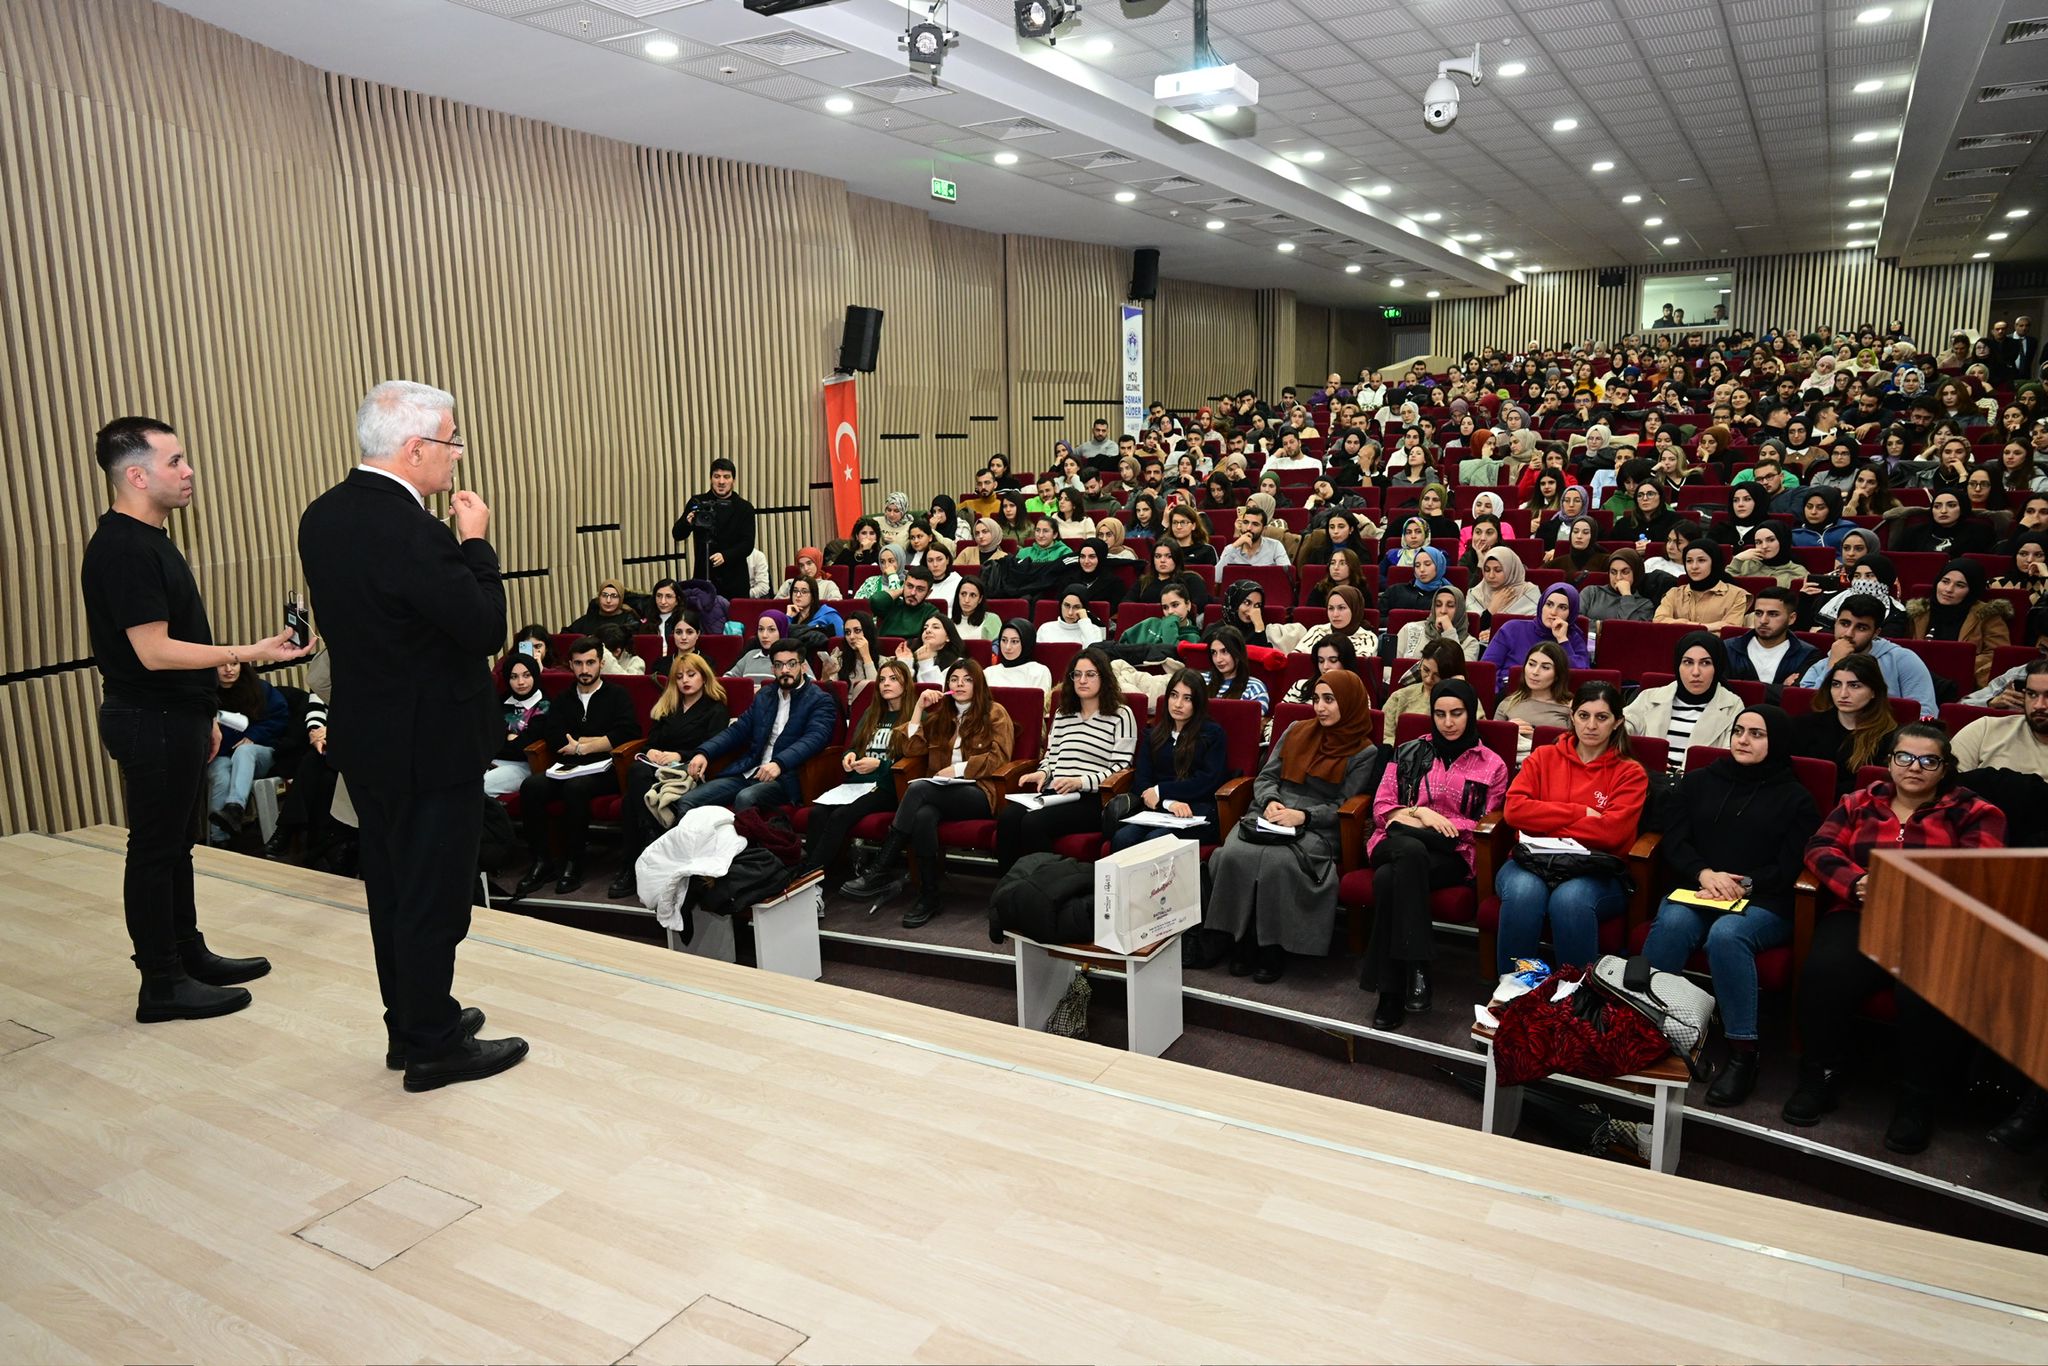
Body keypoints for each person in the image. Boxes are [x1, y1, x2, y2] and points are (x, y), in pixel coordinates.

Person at [298, 380, 526, 1089]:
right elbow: (485, 628)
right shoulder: (416, 533)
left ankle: (412, 1021)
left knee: (393, 889)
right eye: (452, 441)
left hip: (367, 737)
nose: (457, 456)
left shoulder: (321, 516)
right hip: (432, 743)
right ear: (416, 447)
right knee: (434, 895)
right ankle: (432, 1047)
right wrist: (478, 545)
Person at [83, 416, 310, 1022]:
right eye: (175, 462)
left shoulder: (151, 538)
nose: (188, 473)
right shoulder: (125, 548)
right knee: (154, 851)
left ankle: (186, 954)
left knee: (176, 847)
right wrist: (248, 653)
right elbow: (153, 651)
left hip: (175, 714)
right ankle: (160, 982)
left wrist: (204, 711)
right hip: (149, 717)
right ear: (136, 474)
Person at [1789, 725, 2006, 1151]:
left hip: (1934, 923)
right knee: (1826, 972)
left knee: (1923, 993)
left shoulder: (1977, 812)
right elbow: (1819, 848)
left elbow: (1982, 874)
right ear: (1889, 761)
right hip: (1861, 910)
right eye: (1904, 757)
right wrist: (1858, 882)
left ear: (1946, 768)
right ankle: (1820, 1077)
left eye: (1928, 761)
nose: (1914, 768)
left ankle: (1918, 1099)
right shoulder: (1859, 800)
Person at [1643, 704, 1821, 1106]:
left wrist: (1745, 884)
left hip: (1764, 898)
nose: (1743, 739)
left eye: (1756, 734)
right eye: (1739, 730)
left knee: (1726, 936)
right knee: (1671, 924)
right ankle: (1647, 1029)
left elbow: (1793, 864)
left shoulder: (1796, 798)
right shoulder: (1700, 781)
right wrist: (1705, 874)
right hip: (1699, 887)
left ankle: (1744, 1054)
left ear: (1776, 741)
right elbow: (1675, 840)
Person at [1192, 671, 1378, 983]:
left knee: (1278, 863)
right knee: (1231, 854)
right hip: (1269, 815)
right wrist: (1270, 801)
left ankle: (1273, 946)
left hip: (1317, 827)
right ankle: (1240, 937)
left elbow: (1345, 805)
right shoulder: (1295, 730)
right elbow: (1266, 777)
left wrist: (1302, 815)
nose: (1320, 707)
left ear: (1349, 702)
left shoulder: (1364, 751)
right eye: (1317, 699)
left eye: (1329, 700)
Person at [1362, 678, 1509, 1029]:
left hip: (1452, 854)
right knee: (1408, 852)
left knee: (1388, 879)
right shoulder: (1409, 751)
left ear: (1470, 713)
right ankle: (1418, 965)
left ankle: (1390, 990)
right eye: (1440, 714)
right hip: (1395, 840)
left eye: (1456, 713)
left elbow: (1486, 824)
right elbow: (1382, 807)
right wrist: (1421, 814)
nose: (1448, 722)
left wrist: (1439, 823)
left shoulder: (1492, 765)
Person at [841, 659, 1017, 927]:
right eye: (954, 679)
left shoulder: (995, 713)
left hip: (980, 791)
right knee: (923, 816)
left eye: (967, 679)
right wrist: (918, 709)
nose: (959, 684)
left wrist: (957, 770)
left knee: (919, 788)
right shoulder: (941, 716)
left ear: (978, 684)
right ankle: (928, 895)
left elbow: (999, 757)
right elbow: (910, 750)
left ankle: (880, 867)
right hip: (941, 793)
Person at [1493, 682, 1649, 971]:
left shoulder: (1630, 772)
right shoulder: (1543, 757)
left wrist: (1543, 822)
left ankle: (1575, 1000)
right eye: (1583, 715)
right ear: (1572, 716)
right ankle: (1517, 992)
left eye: (1602, 717)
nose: (1591, 725)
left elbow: (1611, 833)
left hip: (1595, 870)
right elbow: (1514, 811)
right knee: (1524, 892)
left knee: (1570, 900)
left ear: (1617, 723)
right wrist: (1581, 812)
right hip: (1532, 861)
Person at [509, 638, 641, 897]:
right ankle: (542, 861)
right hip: (566, 766)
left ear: (601, 663)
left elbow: (627, 732)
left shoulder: (617, 695)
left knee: (576, 788)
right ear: (570, 665)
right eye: (578, 663)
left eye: (590, 663)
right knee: (532, 787)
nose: (585, 669)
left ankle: (574, 863)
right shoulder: (563, 699)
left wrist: (583, 747)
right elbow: (554, 735)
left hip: (605, 769)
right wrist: (597, 741)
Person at [995, 647, 1136, 865]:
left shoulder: (1121, 714)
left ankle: (1045, 890)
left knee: (1034, 823)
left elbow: (1121, 767)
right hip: (1056, 793)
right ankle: (1009, 888)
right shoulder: (1063, 714)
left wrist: (1079, 782)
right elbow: (1052, 755)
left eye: (1090, 674)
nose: (1082, 680)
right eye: (1076, 675)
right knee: (1008, 817)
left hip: (1093, 799)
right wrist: (1043, 773)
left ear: (1104, 678)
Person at [607, 652, 732, 897]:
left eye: (691, 675)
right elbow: (650, 743)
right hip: (657, 771)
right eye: (679, 676)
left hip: (690, 772)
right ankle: (649, 836)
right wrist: (652, 751)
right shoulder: (669, 706)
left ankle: (631, 867)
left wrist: (678, 755)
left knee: (630, 803)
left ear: (704, 677)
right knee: (637, 772)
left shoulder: (715, 709)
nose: (685, 680)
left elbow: (713, 747)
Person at [671, 639, 836, 820]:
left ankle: (748, 849)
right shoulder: (765, 696)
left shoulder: (820, 700)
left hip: (786, 777)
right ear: (772, 669)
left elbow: (815, 738)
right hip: (750, 771)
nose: (785, 670)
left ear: (803, 667)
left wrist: (779, 763)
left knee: (745, 798)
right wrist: (704, 753)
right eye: (779, 665)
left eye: (791, 664)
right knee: (687, 801)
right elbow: (738, 730)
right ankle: (695, 848)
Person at [799, 658, 914, 888]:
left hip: (887, 786)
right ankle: (815, 875)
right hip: (857, 784)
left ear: (906, 685)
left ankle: (808, 878)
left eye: (893, 679)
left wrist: (879, 766)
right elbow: (854, 746)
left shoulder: (914, 717)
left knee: (841, 816)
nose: (886, 684)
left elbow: (912, 761)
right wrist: (848, 757)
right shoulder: (872, 713)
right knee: (818, 813)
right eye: (882, 680)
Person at [1795, 593, 1940, 720]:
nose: (1848, 634)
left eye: (1861, 628)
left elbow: (1925, 712)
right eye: (1844, 624)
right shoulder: (1820, 667)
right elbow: (1812, 710)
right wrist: (1833, 664)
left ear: (1876, 632)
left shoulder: (1903, 660)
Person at [1624, 631, 1745, 774]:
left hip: (1701, 788)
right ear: (1677, 665)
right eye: (1688, 662)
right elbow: (1619, 731)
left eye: (1705, 663)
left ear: (1717, 667)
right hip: (1646, 779)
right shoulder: (1649, 697)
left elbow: (1731, 758)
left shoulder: (1733, 705)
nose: (1695, 672)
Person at [1787, 649, 1900, 792]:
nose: (1843, 694)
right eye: (1836, 684)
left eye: (1854, 685)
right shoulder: (1803, 726)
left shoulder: (1890, 737)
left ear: (1874, 692)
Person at [203, 659, 288, 845]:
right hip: (222, 754)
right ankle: (219, 840)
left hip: (260, 753)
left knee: (244, 751)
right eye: (221, 665)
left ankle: (235, 807)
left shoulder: (259, 689)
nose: (228, 669)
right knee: (221, 776)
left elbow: (280, 718)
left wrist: (254, 735)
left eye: (233, 664)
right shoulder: (206, 694)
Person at [1905, 558, 2011, 688]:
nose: (1949, 589)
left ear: (1972, 589)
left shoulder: (1987, 616)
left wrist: (1957, 665)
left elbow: (1997, 656)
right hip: (1915, 679)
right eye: (1945, 581)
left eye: (1960, 585)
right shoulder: (1918, 613)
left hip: (1960, 683)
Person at [1483, 582, 1590, 693]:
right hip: (1510, 694)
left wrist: (1562, 640)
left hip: (1552, 699)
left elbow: (1580, 678)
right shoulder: (1512, 628)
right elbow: (1486, 669)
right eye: (1549, 604)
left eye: (1562, 607)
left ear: (1571, 613)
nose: (1553, 612)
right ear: (1541, 605)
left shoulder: (1573, 638)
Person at [675, 457, 755, 600]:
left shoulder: (744, 508)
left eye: (726, 477)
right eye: (717, 476)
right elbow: (678, 534)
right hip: (704, 576)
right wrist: (687, 522)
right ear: (711, 478)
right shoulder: (697, 502)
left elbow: (747, 544)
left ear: (733, 480)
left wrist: (726, 556)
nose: (721, 482)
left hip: (734, 581)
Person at [1724, 586, 1824, 700]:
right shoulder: (1728, 648)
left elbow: (1794, 698)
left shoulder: (1808, 654)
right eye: (1758, 613)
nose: (1763, 621)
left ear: (1791, 618)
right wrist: (1781, 688)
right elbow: (1720, 690)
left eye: (1773, 614)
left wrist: (1740, 686)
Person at [1382, 639, 1466, 744]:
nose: (1428, 679)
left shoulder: (1465, 700)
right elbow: (1386, 737)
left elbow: (1475, 736)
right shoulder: (1400, 697)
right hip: (1403, 756)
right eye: (1426, 670)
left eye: (1437, 675)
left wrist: (1460, 690)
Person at [1466, 546, 1541, 640]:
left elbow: (1535, 629)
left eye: (1498, 570)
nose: (1491, 576)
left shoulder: (1529, 592)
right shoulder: (1475, 593)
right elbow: (1469, 630)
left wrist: (1498, 633)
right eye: (1487, 570)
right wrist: (1491, 610)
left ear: (1511, 570)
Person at [1395, 585, 1481, 662]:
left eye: (1450, 605)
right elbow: (1390, 666)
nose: (1443, 611)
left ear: (1460, 610)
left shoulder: (1470, 644)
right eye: (1438, 605)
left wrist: (1449, 631)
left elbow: (1460, 673)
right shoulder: (1409, 629)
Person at [1579, 549, 1657, 628]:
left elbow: (1632, 630)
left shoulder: (1645, 605)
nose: (1618, 578)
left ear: (1636, 573)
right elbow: (1577, 621)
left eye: (1625, 572)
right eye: (1613, 572)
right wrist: (1606, 628)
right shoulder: (1591, 592)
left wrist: (1627, 595)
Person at [1296, 585, 1379, 659]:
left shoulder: (1367, 638)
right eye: (1331, 608)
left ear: (1355, 610)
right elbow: (1297, 659)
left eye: (1341, 608)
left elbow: (1356, 668)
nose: (1335, 614)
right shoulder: (1318, 631)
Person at [1204, 624, 1271, 713]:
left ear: (1238, 653)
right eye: (1214, 652)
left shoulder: (1254, 688)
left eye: (1224, 651)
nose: (1218, 659)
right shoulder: (1201, 680)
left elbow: (1252, 723)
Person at [1213, 504, 1289, 581]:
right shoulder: (1231, 548)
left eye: (1255, 524)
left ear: (1264, 529)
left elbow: (1287, 577)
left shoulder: (1275, 546)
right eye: (1245, 522)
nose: (1249, 528)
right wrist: (1235, 545)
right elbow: (1216, 578)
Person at [1726, 521, 1805, 589]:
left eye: (1771, 540)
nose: (1764, 546)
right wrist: (1737, 559)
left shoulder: (1797, 572)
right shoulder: (1747, 565)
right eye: (1758, 542)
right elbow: (1725, 587)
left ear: (1783, 541)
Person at [985, 617, 1052, 695]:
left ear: (1026, 643)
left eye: (1014, 641)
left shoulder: (1039, 672)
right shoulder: (988, 673)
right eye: (1004, 640)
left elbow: (1038, 704)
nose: (1008, 647)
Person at [727, 610, 791, 680]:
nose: (764, 635)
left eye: (771, 629)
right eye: (761, 629)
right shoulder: (750, 655)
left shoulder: (792, 658)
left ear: (782, 631)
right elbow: (728, 680)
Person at [567, 579, 642, 637]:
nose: (608, 601)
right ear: (599, 598)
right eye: (604, 595)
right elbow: (565, 634)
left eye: (614, 596)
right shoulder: (588, 618)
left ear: (621, 599)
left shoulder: (629, 621)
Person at [1036, 588, 1108, 645]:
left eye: (1076, 607)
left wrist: (1085, 621)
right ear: (1060, 605)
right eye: (1067, 605)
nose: (1070, 613)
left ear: (1084, 608)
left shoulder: (1093, 630)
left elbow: (1095, 654)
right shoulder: (1045, 628)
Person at [950, 577, 1001, 643]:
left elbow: (997, 649)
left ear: (980, 599)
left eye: (973, 595)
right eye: (963, 594)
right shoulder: (949, 621)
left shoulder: (991, 620)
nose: (966, 600)